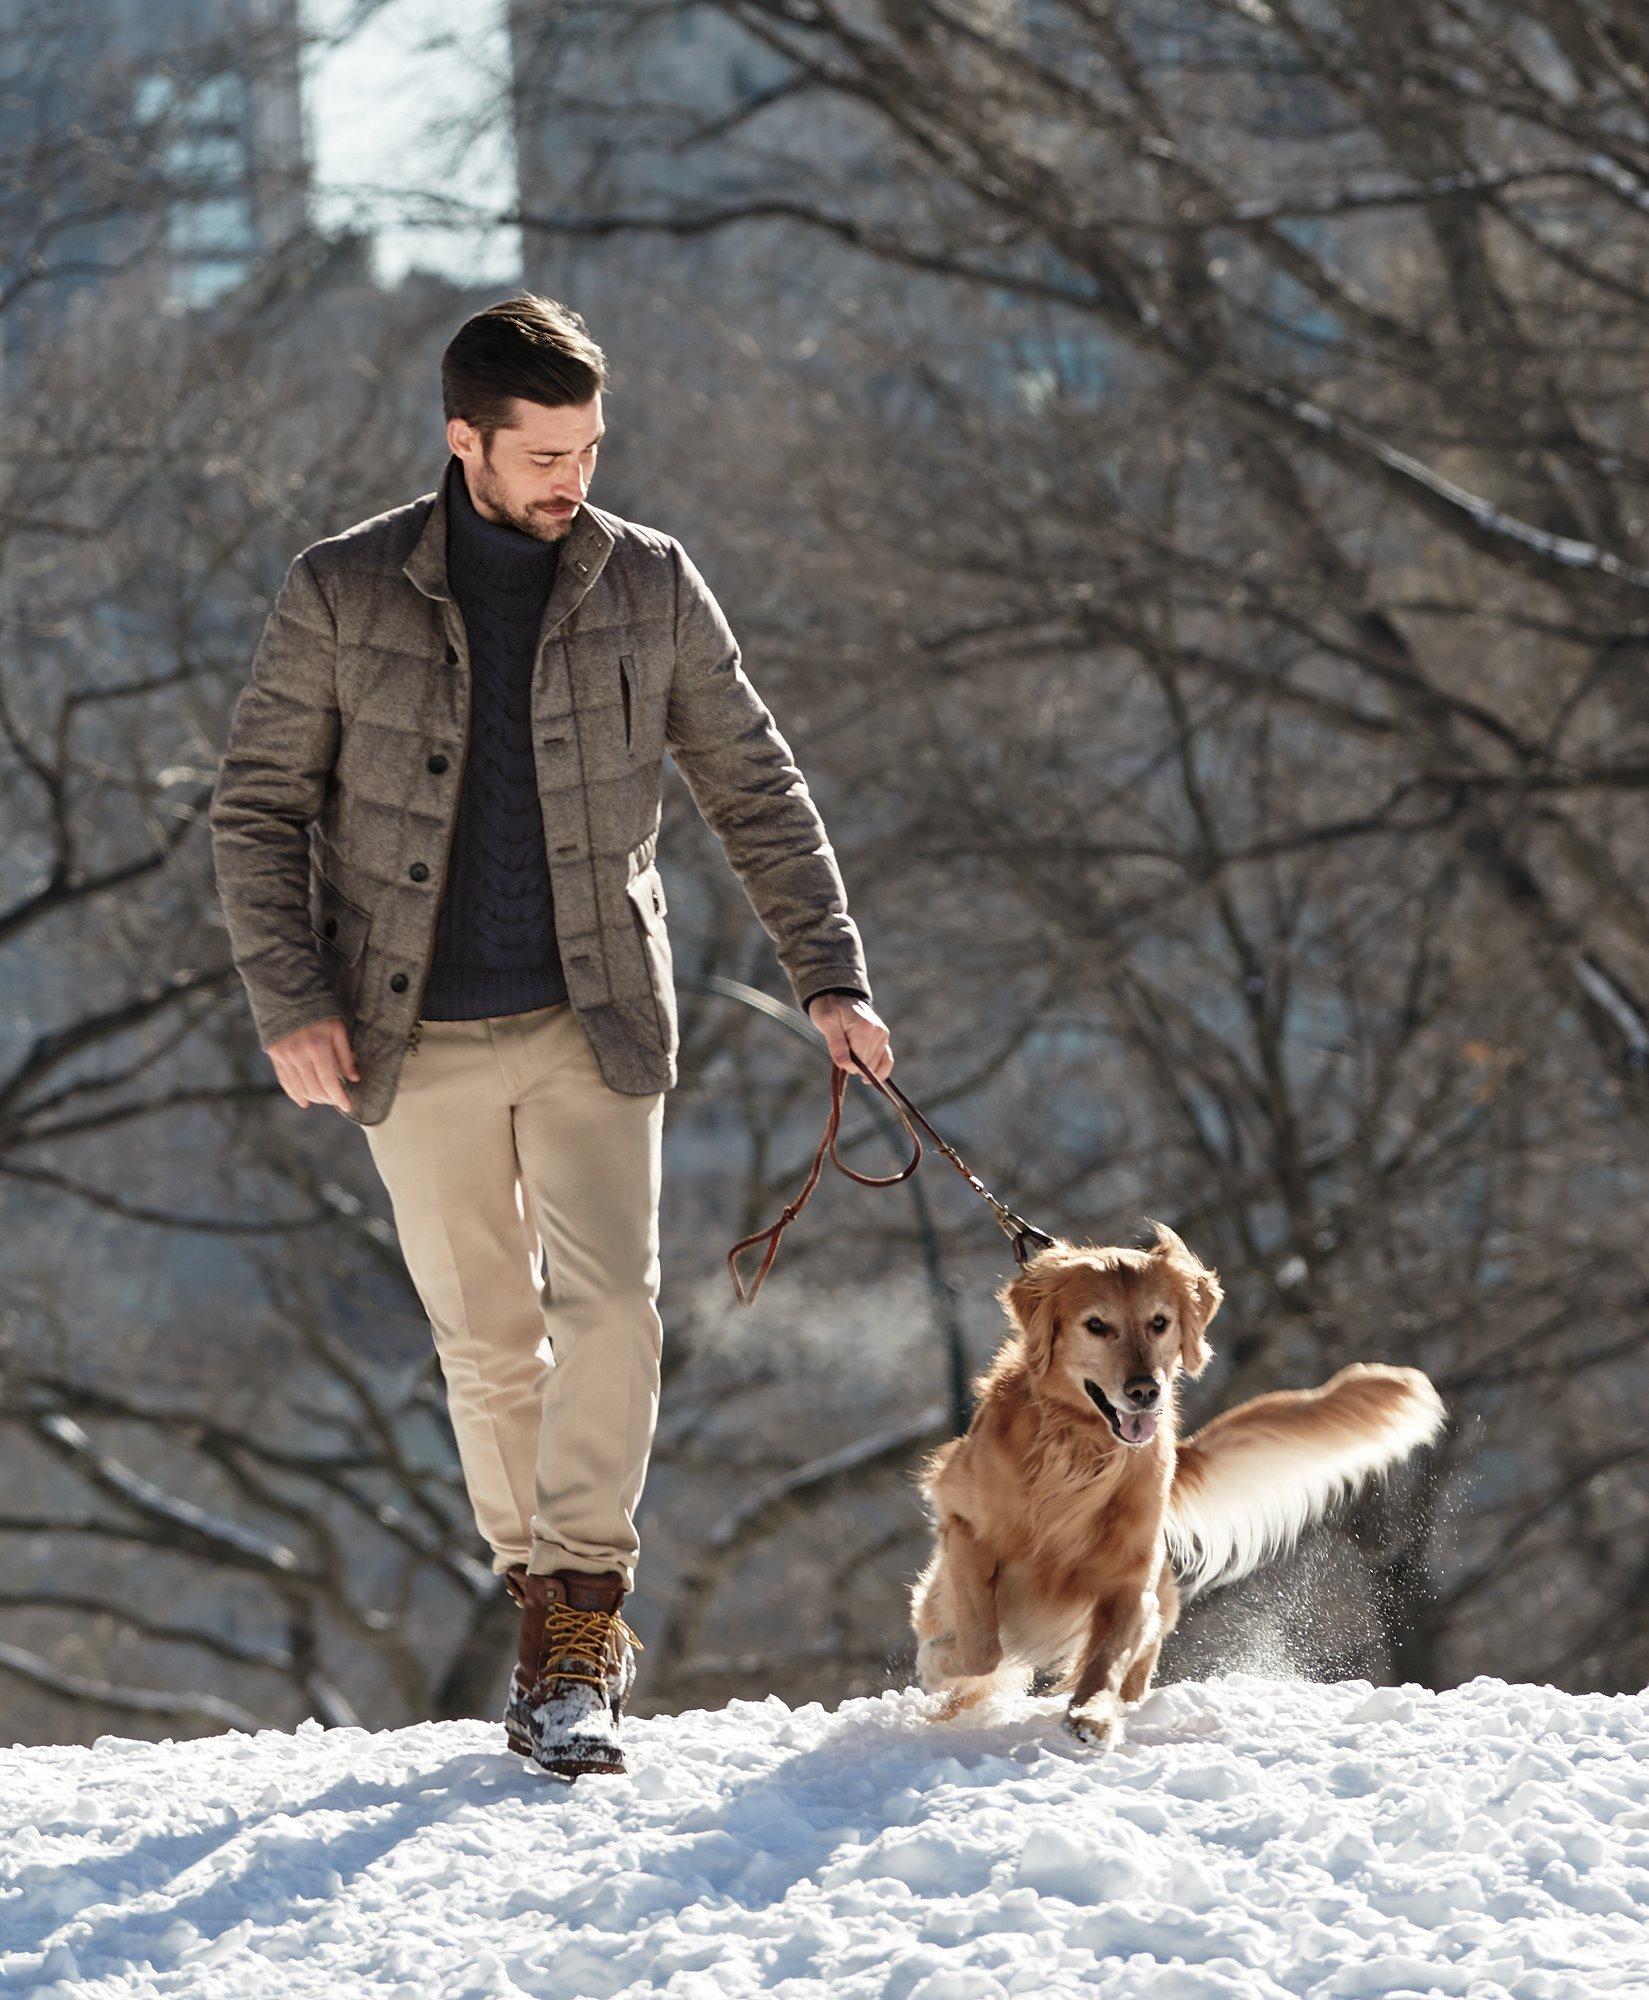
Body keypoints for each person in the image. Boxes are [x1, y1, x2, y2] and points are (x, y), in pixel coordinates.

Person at [209, 293, 893, 1778]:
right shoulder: (341, 589)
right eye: (540, 455)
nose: (569, 479)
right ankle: (548, 1613)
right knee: (487, 1344)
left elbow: (753, 786)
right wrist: (291, 1002)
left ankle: (579, 1619)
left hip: (594, 1017)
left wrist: (828, 979)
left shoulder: (648, 582)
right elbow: (257, 808)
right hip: (411, 1035)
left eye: (587, 448)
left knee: (613, 1313)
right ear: (465, 443)